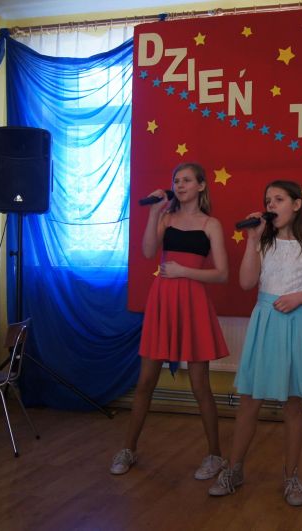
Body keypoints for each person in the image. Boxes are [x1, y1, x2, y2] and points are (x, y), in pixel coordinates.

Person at [209, 180, 302, 507]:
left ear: (296, 204)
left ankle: (292, 477)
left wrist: (301, 297)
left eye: (279, 199)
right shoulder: (263, 242)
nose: (271, 205)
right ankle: (234, 469)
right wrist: (253, 240)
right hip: (266, 323)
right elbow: (246, 282)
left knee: (294, 403)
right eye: (268, 200)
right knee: (249, 400)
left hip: (298, 324)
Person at [110, 162, 230, 480]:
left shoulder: (211, 224)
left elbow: (222, 274)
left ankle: (215, 455)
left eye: (187, 180)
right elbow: (148, 251)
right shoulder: (166, 218)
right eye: (176, 180)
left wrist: (183, 271)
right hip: (162, 300)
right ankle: (128, 449)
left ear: (201, 186)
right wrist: (154, 214)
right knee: (145, 381)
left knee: (200, 384)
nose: (180, 185)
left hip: (192, 302)